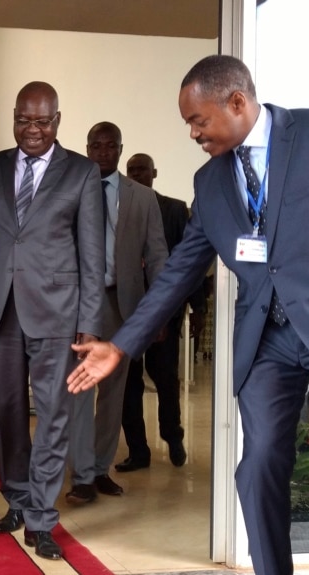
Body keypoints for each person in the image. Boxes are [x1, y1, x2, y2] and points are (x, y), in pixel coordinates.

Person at [67, 55, 309, 575]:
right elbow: (177, 274)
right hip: (267, 341)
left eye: (198, 120)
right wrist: (120, 345)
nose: (192, 133)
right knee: (257, 469)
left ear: (237, 102)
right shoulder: (209, 183)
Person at [0, 81, 104, 560]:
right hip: (0, 313)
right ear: (14, 116)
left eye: (42, 121)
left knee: (54, 415)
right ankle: (18, 500)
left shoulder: (81, 174)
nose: (33, 130)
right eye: (24, 119)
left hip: (59, 314)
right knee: (9, 416)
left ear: (58, 121)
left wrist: (90, 320)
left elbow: (92, 253)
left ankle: (42, 517)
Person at [65, 123, 167, 504]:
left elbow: (157, 257)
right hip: (76, 306)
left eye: (111, 146)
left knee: (114, 393)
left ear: (121, 149)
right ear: (87, 148)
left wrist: (155, 315)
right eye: (96, 145)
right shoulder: (71, 190)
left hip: (122, 305)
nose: (103, 152)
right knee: (79, 388)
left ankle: (99, 469)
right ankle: (80, 475)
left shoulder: (141, 197)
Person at [116, 153, 199, 471]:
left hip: (164, 311)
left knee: (165, 380)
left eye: (142, 169)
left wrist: (191, 308)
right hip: (125, 311)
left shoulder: (175, 210)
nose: (137, 174)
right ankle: (138, 451)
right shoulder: (117, 207)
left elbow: (189, 262)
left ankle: (173, 436)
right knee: (128, 384)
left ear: (154, 172)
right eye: (132, 169)